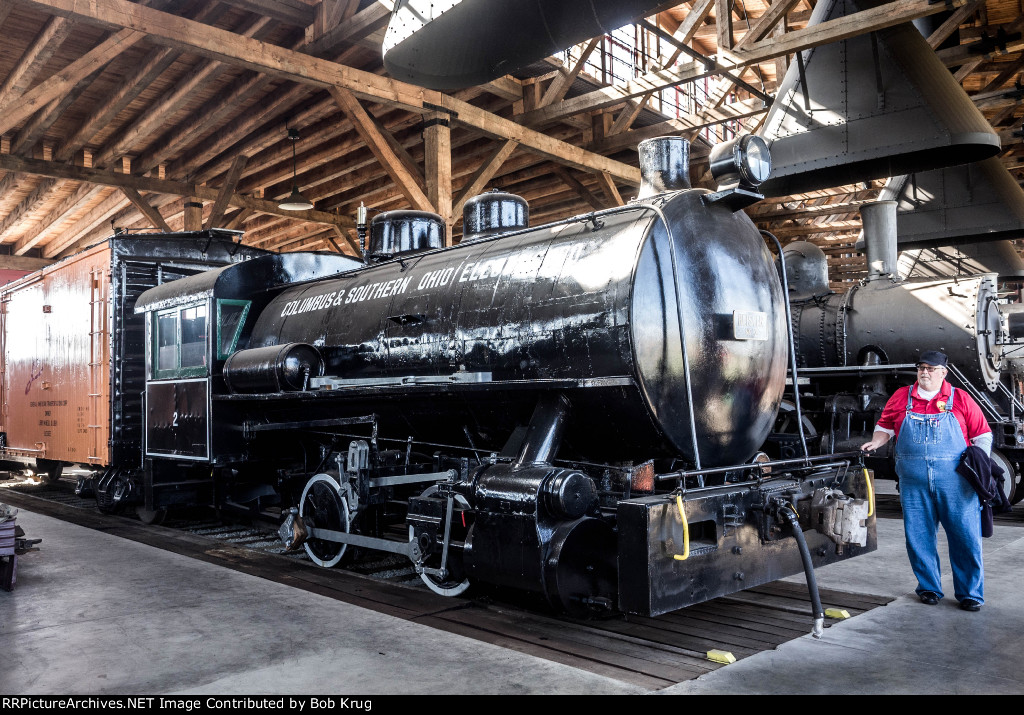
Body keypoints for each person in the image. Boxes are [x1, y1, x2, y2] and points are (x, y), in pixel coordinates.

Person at [860, 350, 992, 612]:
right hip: (914, 482)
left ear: (944, 373)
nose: (925, 372)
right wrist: (876, 441)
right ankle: (929, 588)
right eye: (921, 368)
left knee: (965, 537)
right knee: (918, 536)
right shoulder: (902, 397)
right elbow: (885, 427)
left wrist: (981, 465)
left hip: (957, 483)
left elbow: (983, 434)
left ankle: (970, 594)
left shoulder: (960, 398)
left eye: (931, 369)